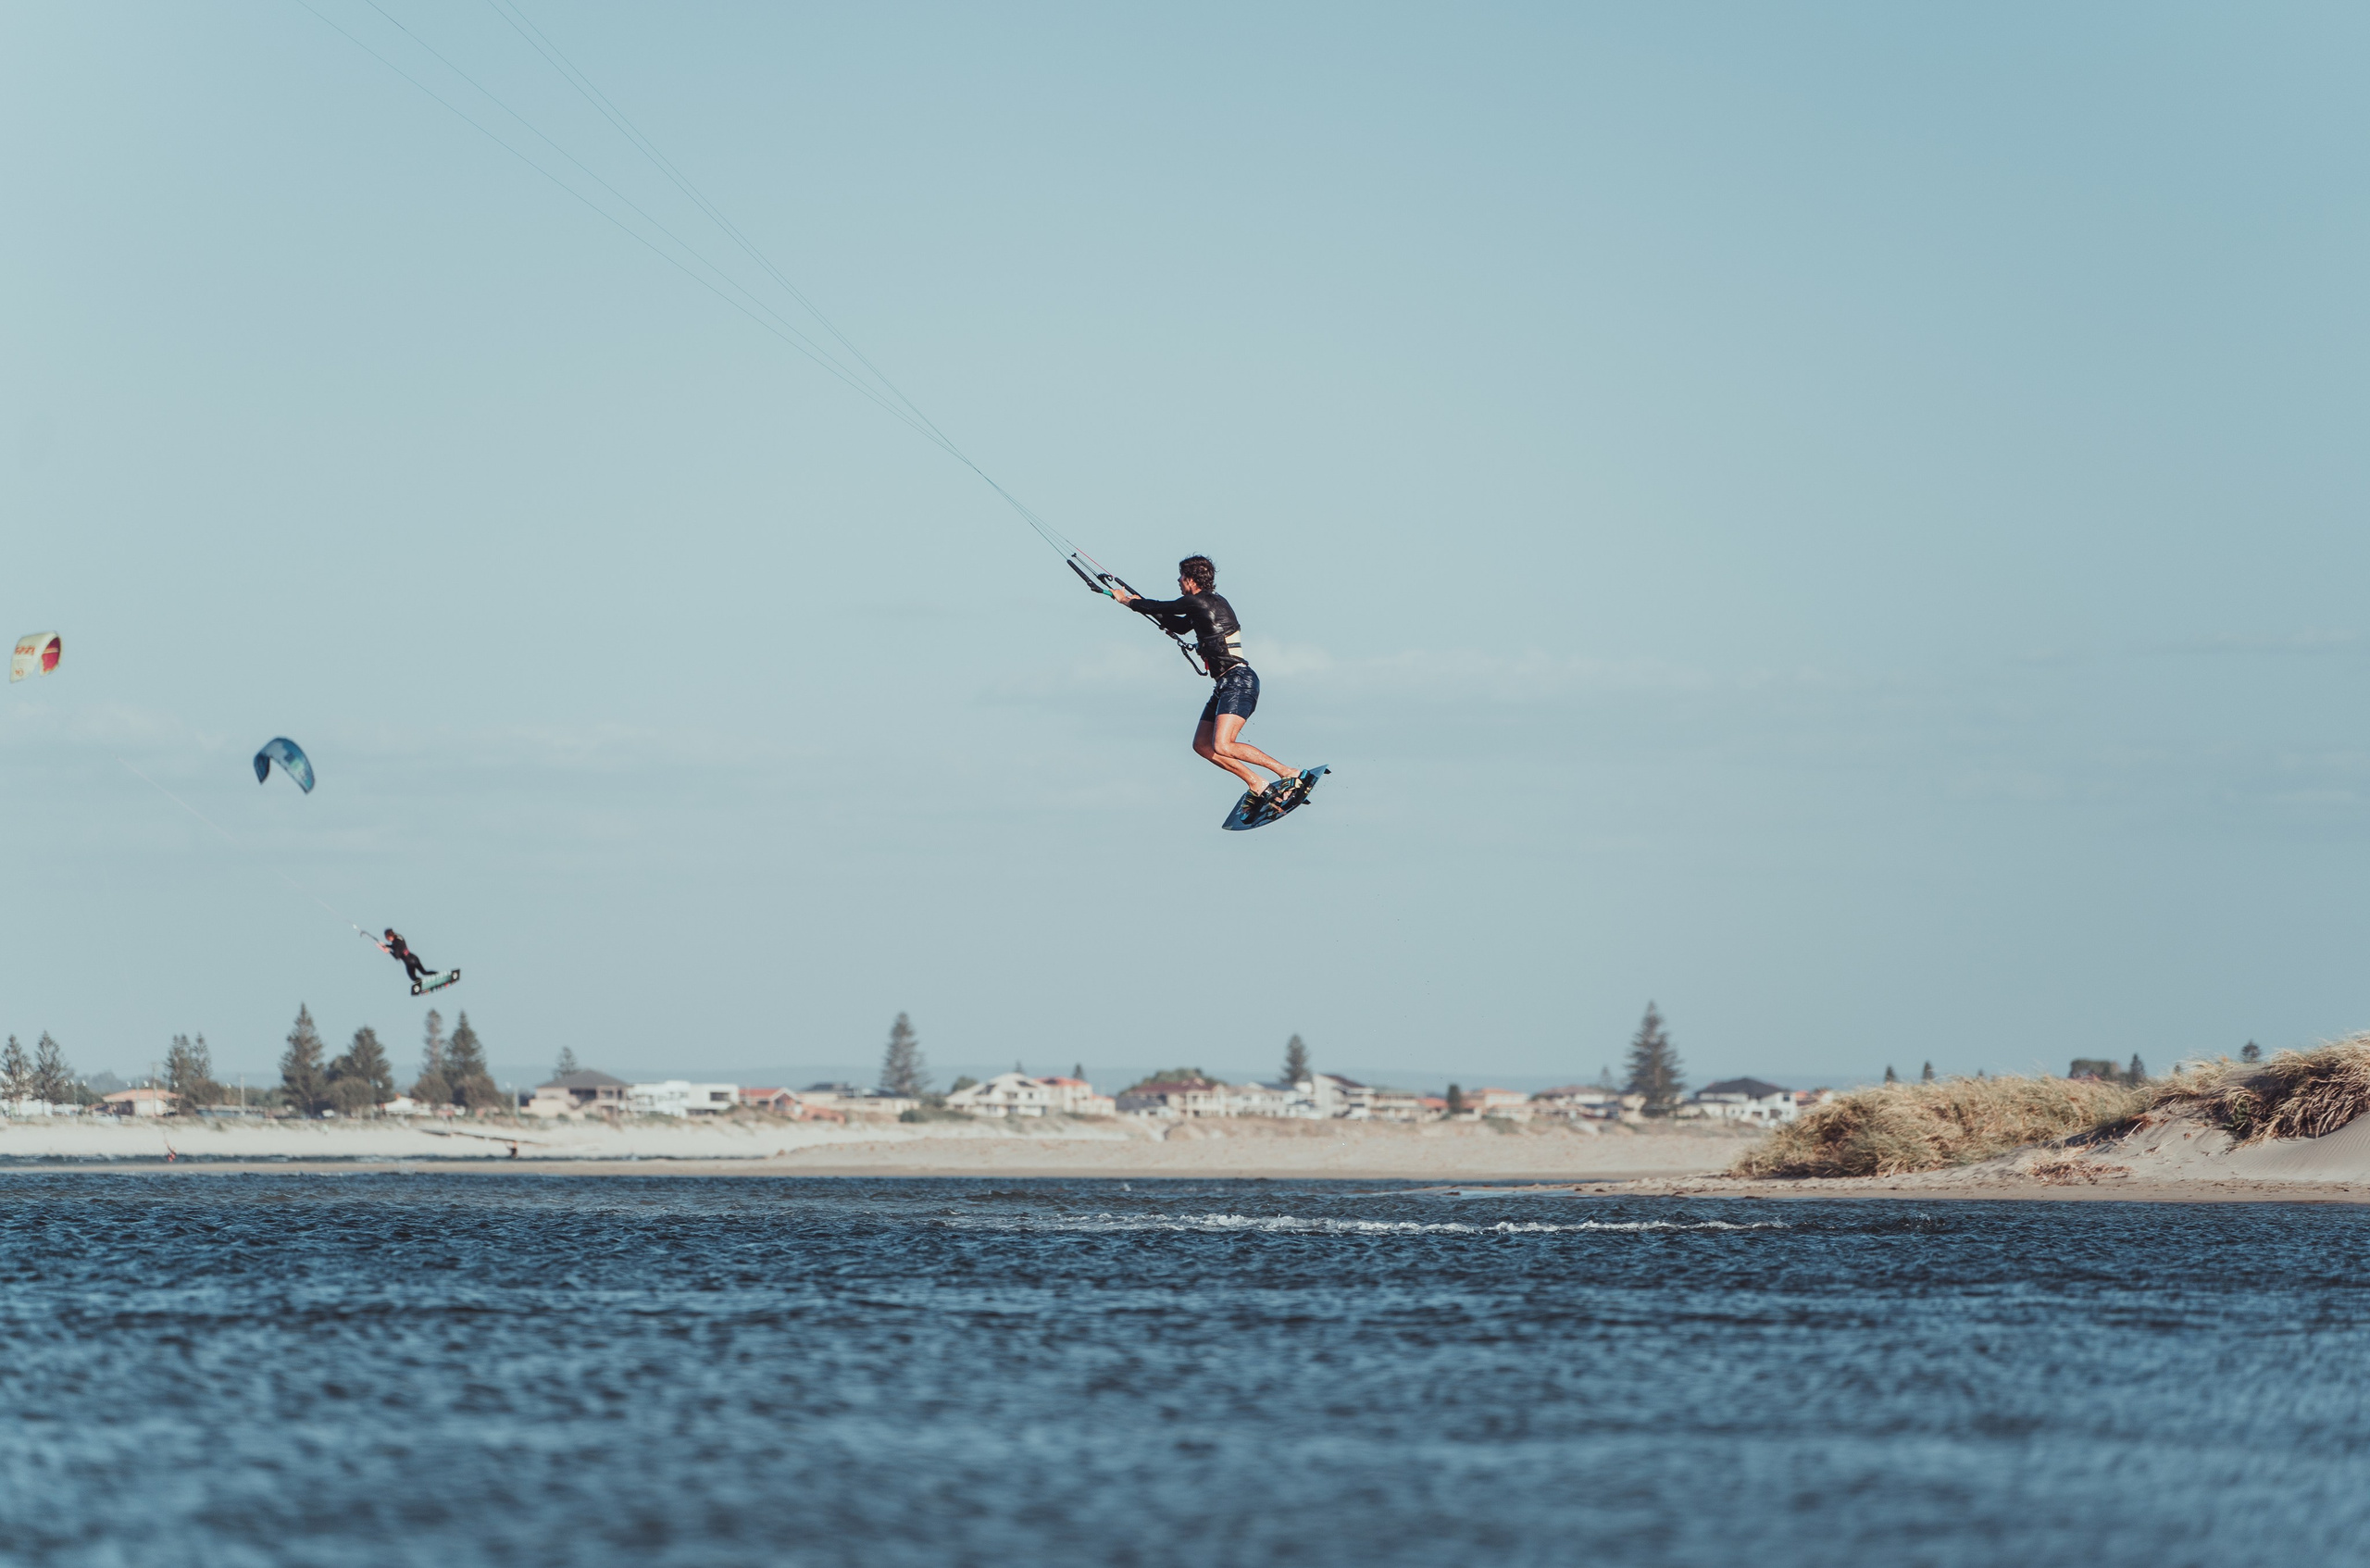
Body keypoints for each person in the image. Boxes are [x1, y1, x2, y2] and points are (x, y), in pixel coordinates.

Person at [1111, 555, 1304, 814]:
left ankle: (1289, 773)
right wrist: (1138, 605)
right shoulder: (1201, 606)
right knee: (1202, 745)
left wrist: (1127, 600)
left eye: (1181, 577)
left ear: (1191, 579)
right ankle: (1257, 784)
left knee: (1224, 745)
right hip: (1224, 685)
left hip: (1239, 681)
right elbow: (1178, 625)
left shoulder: (1199, 601)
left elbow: (1165, 607)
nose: (1178, 581)